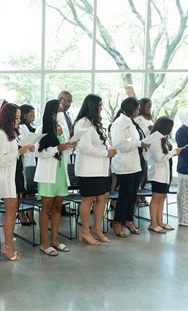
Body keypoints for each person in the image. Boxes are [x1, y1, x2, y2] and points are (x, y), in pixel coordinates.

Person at [0, 103, 34, 260]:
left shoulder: (12, 133)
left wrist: (24, 149)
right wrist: (19, 151)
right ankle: (8, 247)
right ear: (8, 117)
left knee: (13, 211)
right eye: (15, 118)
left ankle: (8, 245)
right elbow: (0, 160)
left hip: (14, 175)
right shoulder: (1, 135)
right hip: (5, 178)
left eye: (19, 117)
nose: (18, 121)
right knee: (10, 213)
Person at [35, 99, 76, 256]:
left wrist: (70, 147)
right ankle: (44, 243)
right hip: (47, 175)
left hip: (60, 173)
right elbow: (38, 153)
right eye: (59, 110)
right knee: (46, 209)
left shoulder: (63, 129)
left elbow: (65, 152)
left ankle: (55, 240)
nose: (62, 113)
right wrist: (56, 148)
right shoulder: (41, 129)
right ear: (52, 112)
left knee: (58, 207)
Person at [73, 94, 116, 245]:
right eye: (99, 105)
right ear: (92, 106)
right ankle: (84, 231)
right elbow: (85, 147)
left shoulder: (95, 123)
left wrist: (109, 149)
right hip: (88, 169)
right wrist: (106, 153)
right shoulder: (82, 123)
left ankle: (96, 228)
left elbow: (101, 142)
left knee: (103, 197)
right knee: (88, 199)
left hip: (102, 168)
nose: (101, 108)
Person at [110, 97, 151, 237]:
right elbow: (120, 145)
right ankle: (116, 222)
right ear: (132, 108)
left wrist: (141, 143)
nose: (139, 110)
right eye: (137, 108)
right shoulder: (119, 123)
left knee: (133, 194)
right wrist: (139, 144)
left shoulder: (131, 122)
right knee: (124, 195)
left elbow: (133, 140)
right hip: (124, 164)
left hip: (135, 164)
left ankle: (128, 220)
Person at [147, 117, 184, 233]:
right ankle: (153, 223)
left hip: (165, 174)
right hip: (157, 174)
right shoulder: (154, 139)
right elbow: (160, 158)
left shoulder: (163, 138)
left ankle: (160, 221)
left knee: (162, 197)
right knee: (156, 198)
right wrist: (174, 152)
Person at [17, 104, 37, 225]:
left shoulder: (31, 127)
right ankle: (21, 213)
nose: (33, 117)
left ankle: (30, 213)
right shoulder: (20, 127)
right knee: (22, 191)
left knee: (31, 190)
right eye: (31, 114)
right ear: (24, 115)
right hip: (23, 160)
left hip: (31, 160)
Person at [135, 98, 154, 206]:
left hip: (148, 149)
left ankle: (142, 196)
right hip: (140, 148)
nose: (149, 108)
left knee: (145, 175)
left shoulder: (150, 118)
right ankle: (137, 196)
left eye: (150, 106)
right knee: (140, 173)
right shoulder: (138, 118)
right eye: (147, 106)